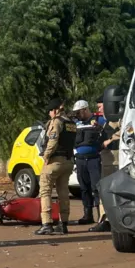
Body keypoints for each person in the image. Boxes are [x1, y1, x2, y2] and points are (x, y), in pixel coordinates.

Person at [36, 98, 76, 236]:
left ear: (54, 110)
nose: (49, 115)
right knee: (63, 192)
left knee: (45, 191)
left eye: (50, 112)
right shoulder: (71, 123)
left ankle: (46, 224)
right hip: (68, 161)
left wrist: (46, 156)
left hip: (55, 161)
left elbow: (52, 141)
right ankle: (63, 224)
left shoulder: (57, 122)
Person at [71, 100, 103, 225]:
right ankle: (87, 215)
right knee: (84, 188)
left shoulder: (98, 120)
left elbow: (108, 132)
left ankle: (101, 216)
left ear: (85, 109)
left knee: (96, 188)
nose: (77, 115)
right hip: (80, 160)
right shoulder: (76, 123)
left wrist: (99, 128)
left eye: (78, 112)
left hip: (94, 159)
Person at [89, 120, 122, 232]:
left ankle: (107, 220)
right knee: (104, 190)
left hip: (114, 159)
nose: (99, 109)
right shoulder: (107, 120)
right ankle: (104, 219)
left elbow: (127, 130)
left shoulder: (119, 119)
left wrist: (110, 140)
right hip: (107, 158)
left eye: (100, 106)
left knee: (108, 190)